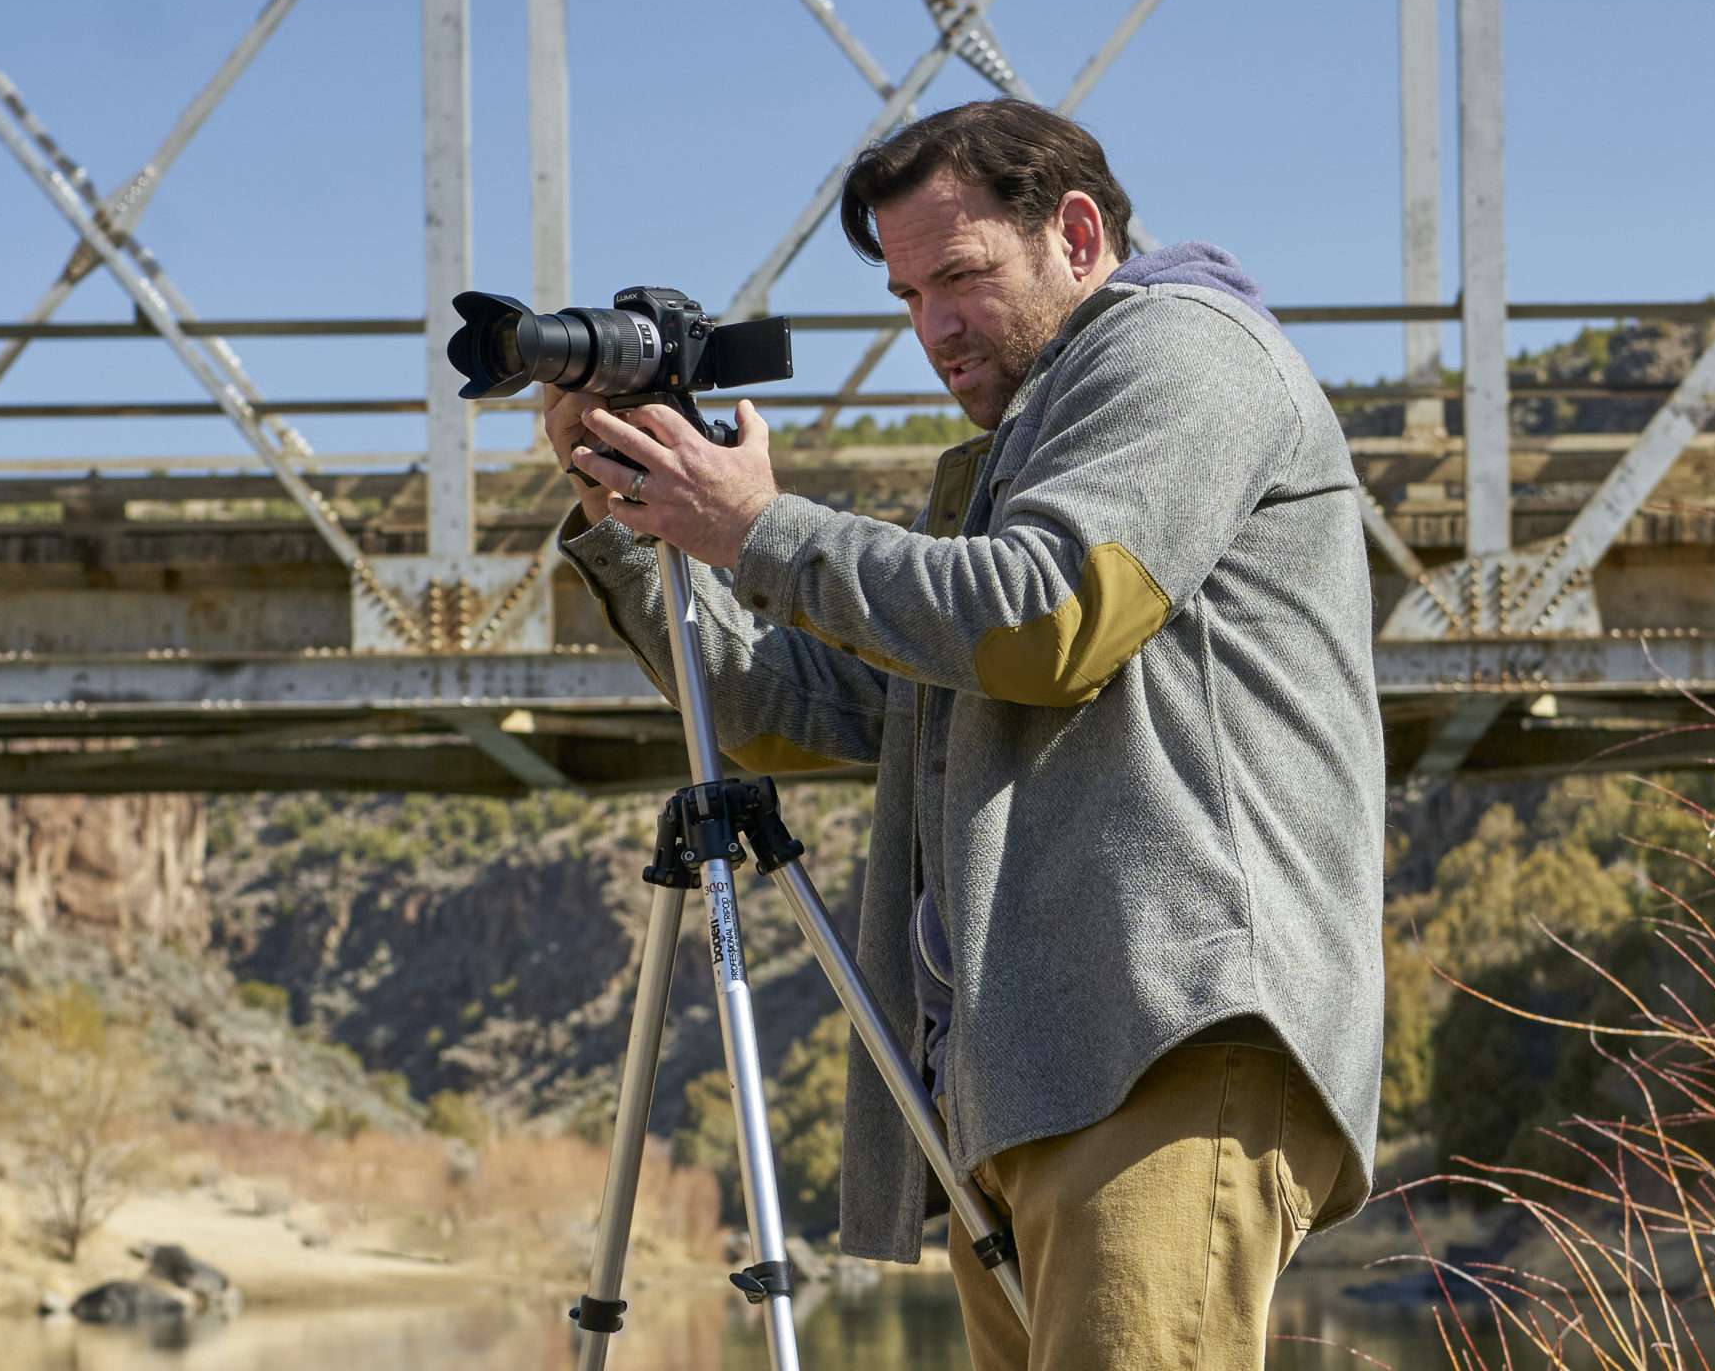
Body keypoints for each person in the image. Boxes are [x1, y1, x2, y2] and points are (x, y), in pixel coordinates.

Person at [545, 99, 1384, 1371]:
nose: (934, 328)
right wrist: (633, 517)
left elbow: (1052, 617)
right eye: (905, 295)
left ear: (1081, 232)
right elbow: (793, 706)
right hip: (1028, 1070)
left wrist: (762, 528)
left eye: (962, 276)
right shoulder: (1032, 448)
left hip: (1163, 1037)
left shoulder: (1186, 349)